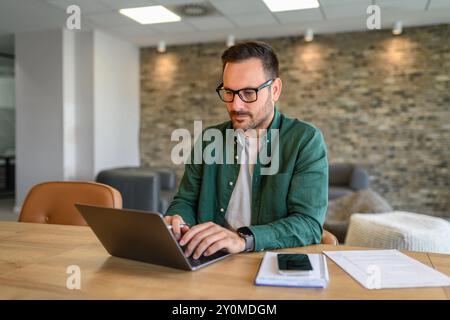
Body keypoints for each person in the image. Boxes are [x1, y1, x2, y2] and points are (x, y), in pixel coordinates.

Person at [164, 41, 328, 260]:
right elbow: (185, 201)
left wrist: (243, 240)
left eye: (249, 93)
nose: (236, 106)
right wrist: (178, 220)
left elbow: (309, 224)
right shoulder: (208, 139)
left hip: (266, 258)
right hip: (207, 258)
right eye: (229, 92)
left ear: (275, 90)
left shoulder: (305, 140)